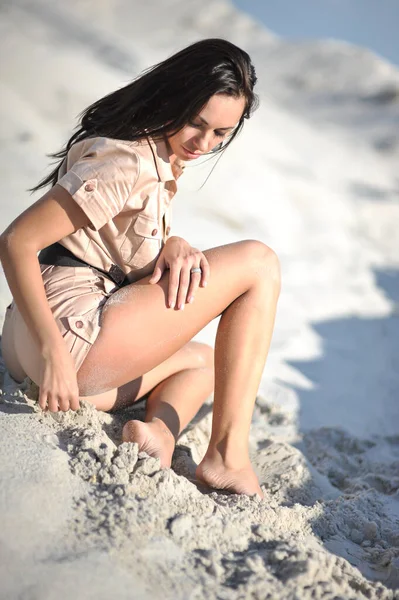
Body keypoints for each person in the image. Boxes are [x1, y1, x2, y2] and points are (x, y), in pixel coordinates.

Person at [0, 38, 280, 497]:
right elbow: (16, 241)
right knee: (260, 264)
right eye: (196, 123)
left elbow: (101, 239)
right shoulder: (127, 161)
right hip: (67, 342)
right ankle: (227, 459)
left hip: (27, 346)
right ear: (174, 98)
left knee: (207, 362)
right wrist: (54, 355)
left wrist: (170, 243)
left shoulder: (148, 153)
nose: (203, 144)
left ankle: (160, 435)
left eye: (220, 136)